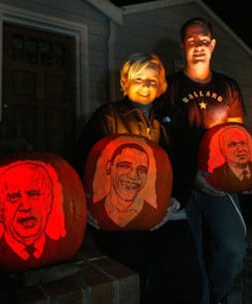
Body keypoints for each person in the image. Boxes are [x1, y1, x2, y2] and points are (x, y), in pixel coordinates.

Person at [73, 52, 201, 304]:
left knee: (185, 282)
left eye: (153, 81)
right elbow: (82, 160)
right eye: (139, 79)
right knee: (133, 278)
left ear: (161, 85)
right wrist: (83, 203)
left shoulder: (175, 119)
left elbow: (187, 164)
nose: (145, 86)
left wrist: (177, 201)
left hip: (168, 212)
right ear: (125, 82)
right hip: (121, 217)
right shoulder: (107, 116)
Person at [162, 17, 252, 304]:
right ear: (183, 46)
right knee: (191, 257)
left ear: (213, 44)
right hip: (182, 182)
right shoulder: (169, 87)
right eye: (192, 41)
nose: (199, 46)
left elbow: (238, 134)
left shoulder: (228, 87)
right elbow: (162, 139)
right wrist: (188, 175)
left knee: (233, 246)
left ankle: (219, 294)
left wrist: (249, 170)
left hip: (219, 180)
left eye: (204, 40)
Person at [0, 161, 67, 269]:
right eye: (14, 196)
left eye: (33, 194)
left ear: (48, 202)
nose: (26, 206)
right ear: (0, 208)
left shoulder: (60, 248)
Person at [89, 141, 161, 230]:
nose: (133, 176)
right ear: (109, 167)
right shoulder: (94, 209)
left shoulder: (152, 213)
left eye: (142, 170)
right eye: (125, 166)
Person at [209, 125, 252, 192]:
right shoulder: (217, 174)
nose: (240, 149)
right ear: (223, 151)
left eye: (243, 144)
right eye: (233, 145)